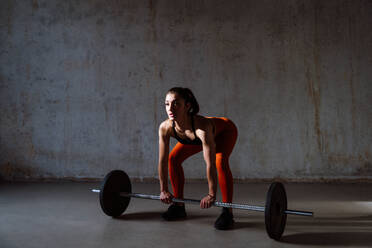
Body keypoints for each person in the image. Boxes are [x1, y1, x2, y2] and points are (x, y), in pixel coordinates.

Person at [157, 87, 238, 230]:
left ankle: (227, 212)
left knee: (220, 163)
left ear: (187, 106)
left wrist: (211, 195)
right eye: (167, 104)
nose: (170, 108)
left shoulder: (202, 127)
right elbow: (162, 161)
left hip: (225, 132)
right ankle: (179, 206)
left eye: (176, 104)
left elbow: (209, 164)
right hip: (197, 138)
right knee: (173, 159)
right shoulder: (165, 127)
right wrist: (163, 190)